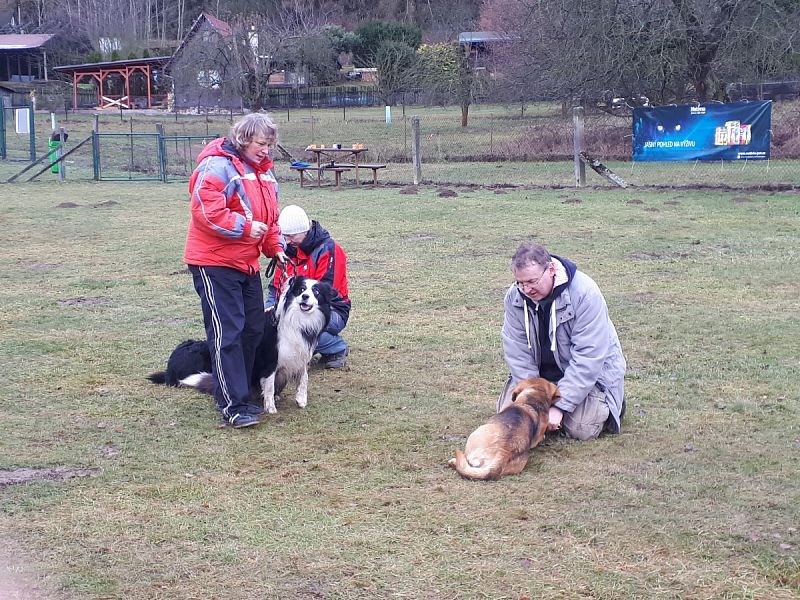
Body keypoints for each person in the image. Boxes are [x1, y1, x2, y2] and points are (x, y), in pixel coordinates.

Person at [184, 112, 287, 429]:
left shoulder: (264, 176)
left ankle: (244, 391)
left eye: (270, 144)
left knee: (254, 328)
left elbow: (270, 221)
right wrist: (244, 228)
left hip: (246, 263)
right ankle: (233, 404)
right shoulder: (217, 165)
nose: (266, 150)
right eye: (261, 143)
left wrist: (276, 248)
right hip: (213, 261)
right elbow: (205, 209)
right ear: (244, 139)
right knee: (228, 331)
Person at [498, 243, 626, 440]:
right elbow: (517, 352)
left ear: (550, 270)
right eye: (520, 283)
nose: (526, 289)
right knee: (508, 420)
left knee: (582, 429)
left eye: (532, 281)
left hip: (586, 374)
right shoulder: (515, 297)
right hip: (541, 377)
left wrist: (560, 406)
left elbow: (588, 358)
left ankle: (609, 403)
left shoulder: (585, 294)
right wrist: (535, 399)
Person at [266, 205, 351, 369]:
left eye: (291, 236)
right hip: (294, 305)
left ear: (305, 231)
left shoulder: (329, 250)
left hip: (331, 307)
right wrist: (270, 310)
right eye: (284, 236)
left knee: (298, 326)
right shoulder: (286, 251)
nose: (288, 241)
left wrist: (286, 315)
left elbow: (324, 295)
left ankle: (336, 348)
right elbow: (275, 288)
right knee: (263, 324)